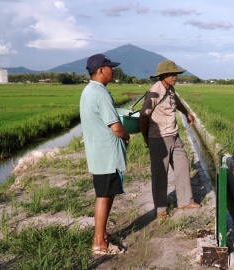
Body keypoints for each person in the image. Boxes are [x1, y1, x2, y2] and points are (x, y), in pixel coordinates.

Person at [80, 53, 130, 254]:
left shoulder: (88, 91)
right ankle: (99, 242)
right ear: (101, 70)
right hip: (107, 155)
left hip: (98, 153)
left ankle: (103, 234)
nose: (113, 70)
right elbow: (116, 127)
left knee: (107, 193)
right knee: (104, 195)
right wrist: (126, 135)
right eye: (110, 67)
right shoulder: (101, 93)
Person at [139, 60, 201, 219]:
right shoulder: (154, 92)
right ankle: (160, 209)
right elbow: (143, 117)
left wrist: (187, 113)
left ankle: (185, 201)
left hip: (174, 135)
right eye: (173, 74)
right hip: (159, 138)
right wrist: (146, 138)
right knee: (160, 173)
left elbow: (177, 103)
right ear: (163, 75)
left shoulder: (170, 89)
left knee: (183, 165)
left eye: (176, 74)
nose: (176, 77)